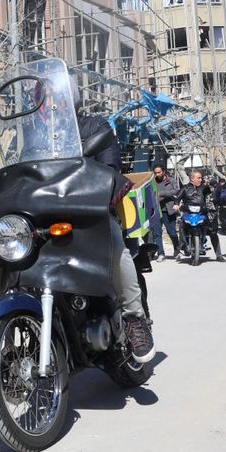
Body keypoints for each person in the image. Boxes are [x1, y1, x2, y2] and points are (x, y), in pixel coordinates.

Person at [70, 76, 155, 363]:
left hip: (91, 210)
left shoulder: (94, 126)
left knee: (114, 246)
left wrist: (106, 183)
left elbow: (110, 164)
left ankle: (134, 317)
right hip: (48, 213)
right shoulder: (35, 137)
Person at [172, 169, 225, 262]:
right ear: (192, 179)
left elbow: (210, 196)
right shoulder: (185, 188)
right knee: (181, 224)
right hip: (188, 212)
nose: (201, 179)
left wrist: (211, 204)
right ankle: (182, 244)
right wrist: (176, 204)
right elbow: (177, 197)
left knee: (213, 231)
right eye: (199, 178)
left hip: (202, 213)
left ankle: (219, 255)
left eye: (201, 178)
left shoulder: (204, 188)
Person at [152, 165, 184, 259]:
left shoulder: (171, 180)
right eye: (155, 173)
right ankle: (161, 253)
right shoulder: (152, 182)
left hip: (168, 210)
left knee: (172, 232)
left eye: (159, 172)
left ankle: (177, 250)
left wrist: (161, 194)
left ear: (164, 171)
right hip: (156, 210)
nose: (157, 174)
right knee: (157, 233)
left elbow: (176, 191)